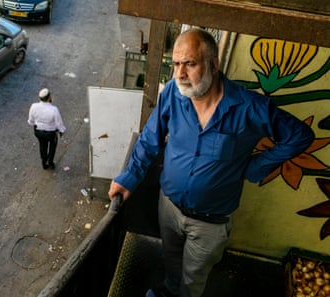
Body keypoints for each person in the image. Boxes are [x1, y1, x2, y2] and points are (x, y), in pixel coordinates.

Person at [108, 28, 315, 297]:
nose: (180, 74)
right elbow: (150, 139)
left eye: (190, 64)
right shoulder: (172, 93)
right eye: (176, 64)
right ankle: (169, 290)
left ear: (213, 64)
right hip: (168, 206)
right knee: (170, 260)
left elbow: (300, 136)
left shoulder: (249, 107)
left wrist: (255, 167)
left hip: (210, 223)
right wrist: (129, 178)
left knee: (194, 277)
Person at [27, 88, 66, 170]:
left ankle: (44, 162)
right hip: (51, 133)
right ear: (49, 98)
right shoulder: (54, 109)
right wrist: (62, 131)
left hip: (39, 132)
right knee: (52, 147)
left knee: (42, 146)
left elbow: (31, 121)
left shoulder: (33, 106)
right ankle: (50, 162)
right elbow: (59, 123)